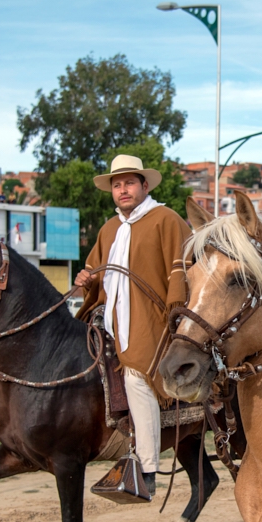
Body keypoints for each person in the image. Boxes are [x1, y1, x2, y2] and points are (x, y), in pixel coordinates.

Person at [74, 154, 191, 496]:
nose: (122, 190)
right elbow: (94, 275)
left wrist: (176, 316)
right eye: (116, 184)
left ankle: (148, 468)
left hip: (153, 320)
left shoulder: (166, 219)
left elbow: (184, 267)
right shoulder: (109, 228)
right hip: (111, 320)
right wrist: (85, 279)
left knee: (137, 375)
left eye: (129, 183)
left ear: (144, 186)